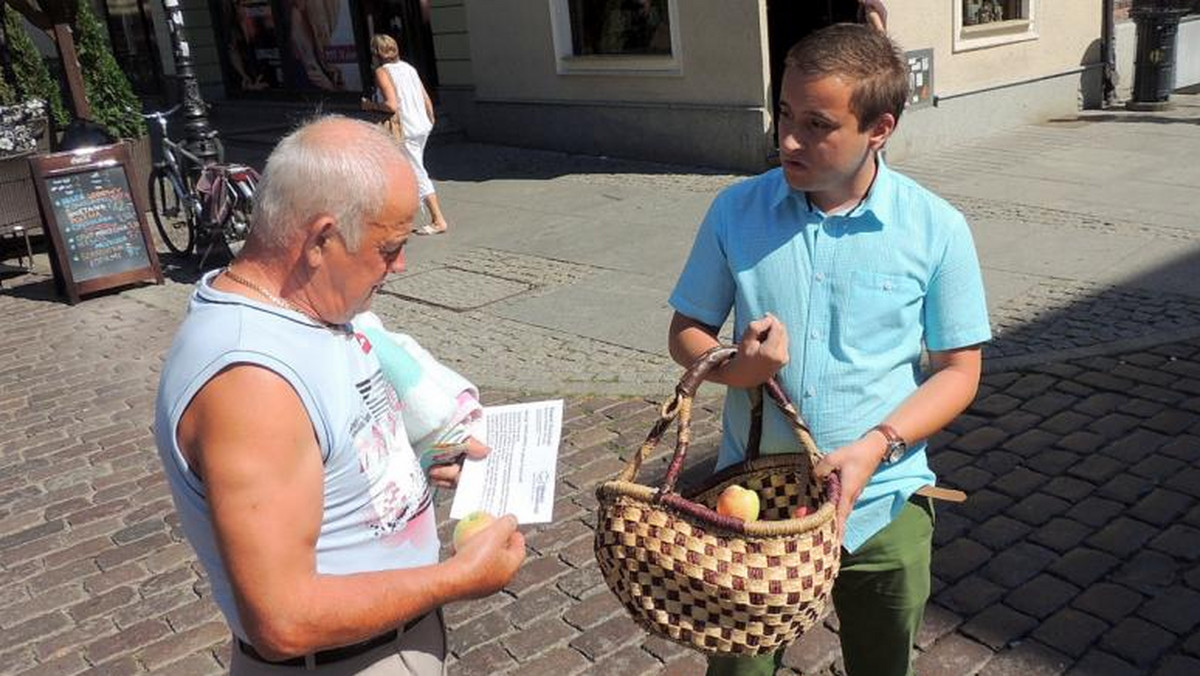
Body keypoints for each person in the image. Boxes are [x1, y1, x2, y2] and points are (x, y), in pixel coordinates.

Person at [666, 22, 991, 676]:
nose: (787, 138)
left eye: (817, 124)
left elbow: (959, 371)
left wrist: (879, 445)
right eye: (785, 113)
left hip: (886, 506)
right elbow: (686, 331)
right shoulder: (736, 211)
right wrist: (739, 367)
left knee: (882, 664)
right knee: (738, 670)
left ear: (881, 128)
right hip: (753, 510)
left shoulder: (937, 228)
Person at [154, 116, 525, 675]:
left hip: (383, 644)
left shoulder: (307, 313)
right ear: (321, 239)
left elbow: (327, 443)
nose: (399, 265)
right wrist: (459, 579)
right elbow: (283, 618)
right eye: (389, 246)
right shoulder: (252, 381)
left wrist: (410, 469)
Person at [366, 34, 450, 235]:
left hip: (406, 129)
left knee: (417, 172)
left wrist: (369, 105)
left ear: (376, 53)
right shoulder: (408, 68)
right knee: (407, 169)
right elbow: (425, 97)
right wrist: (430, 119)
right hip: (421, 125)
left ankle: (438, 219)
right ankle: (397, 214)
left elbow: (391, 105)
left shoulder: (382, 72)